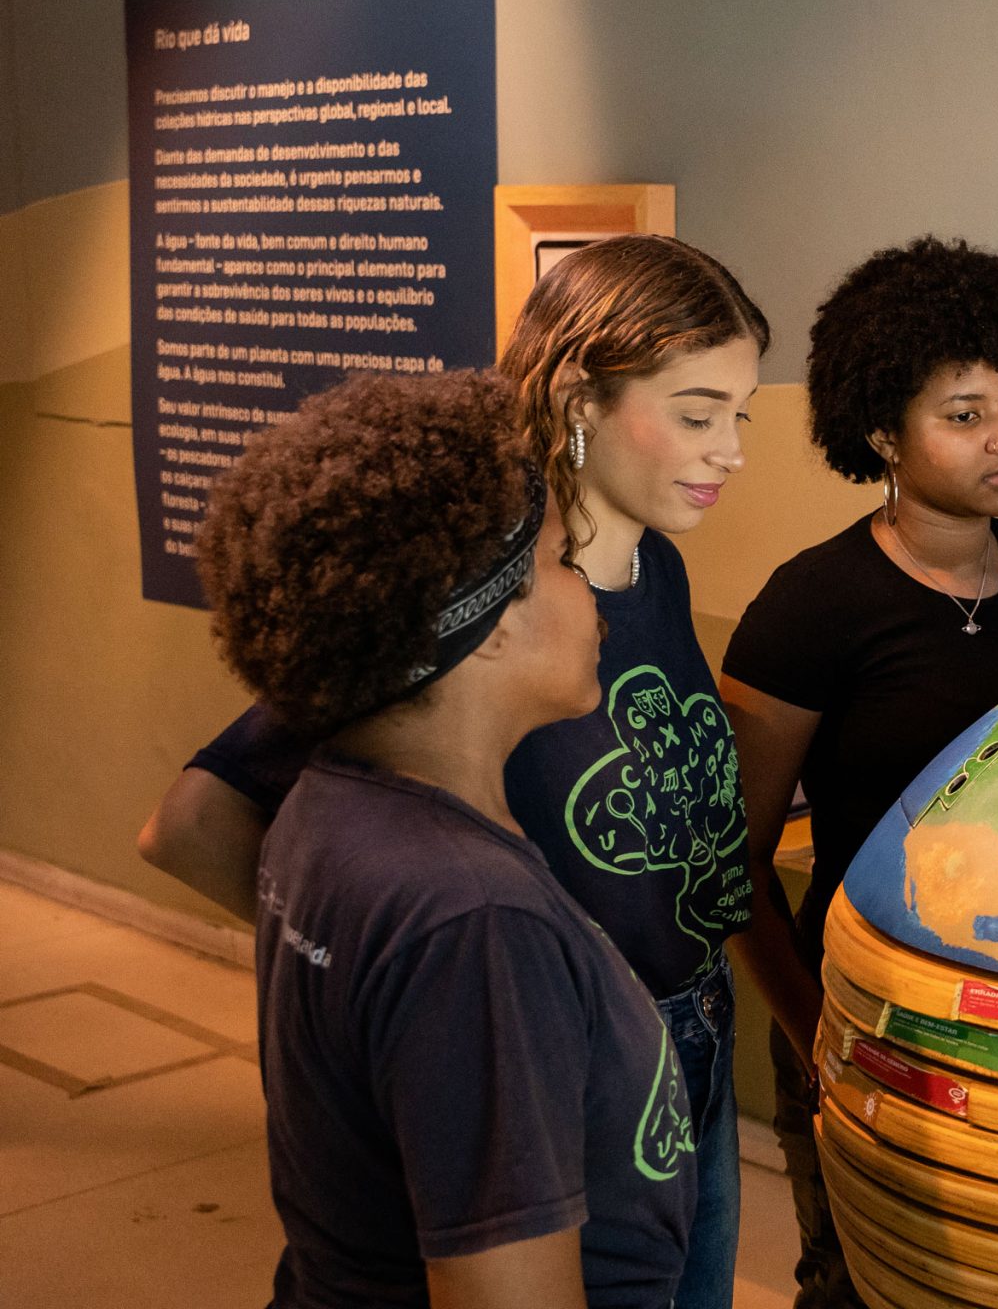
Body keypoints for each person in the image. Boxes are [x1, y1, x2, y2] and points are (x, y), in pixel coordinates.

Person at [138, 235, 768, 1309]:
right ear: (581, 398)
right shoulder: (474, 594)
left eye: (740, 416)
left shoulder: (653, 565)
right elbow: (194, 822)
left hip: (686, 1036)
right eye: (698, 414)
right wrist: (428, 992)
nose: (732, 452)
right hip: (553, 1066)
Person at [197, 370, 693, 1307]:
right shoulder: (475, 922)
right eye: (559, 562)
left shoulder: (332, 806)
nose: (588, 591)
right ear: (488, 624)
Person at [720, 236, 998, 1309]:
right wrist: (812, 1032)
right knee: (858, 1280)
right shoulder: (811, 606)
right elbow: (732, 860)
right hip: (863, 1006)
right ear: (883, 432)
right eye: (964, 414)